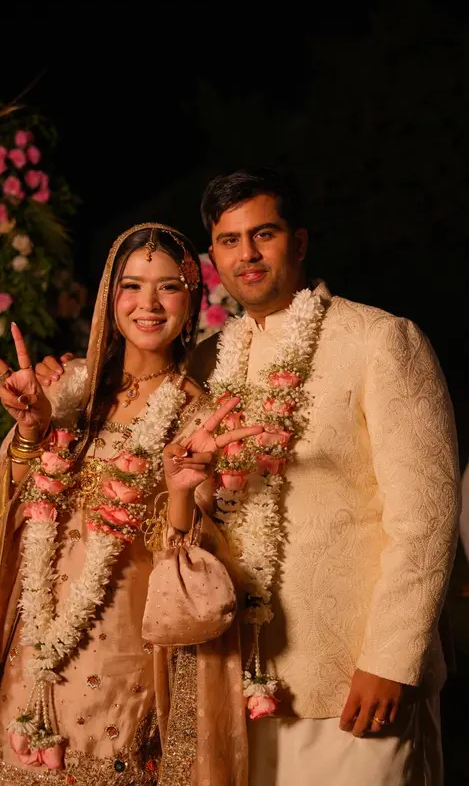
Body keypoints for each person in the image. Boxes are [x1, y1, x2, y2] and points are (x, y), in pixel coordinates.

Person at [39, 168, 460, 786]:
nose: (248, 254)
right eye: (229, 240)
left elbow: (425, 520)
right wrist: (60, 390)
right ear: (213, 258)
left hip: (352, 676)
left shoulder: (380, 340)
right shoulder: (207, 361)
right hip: (236, 676)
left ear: (300, 241)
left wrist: (391, 660)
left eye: (263, 234)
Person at [0, 223, 262, 786]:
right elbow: (3, 509)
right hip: (31, 648)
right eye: (132, 286)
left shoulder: (198, 414)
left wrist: (180, 492)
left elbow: (201, 571)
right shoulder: (67, 389)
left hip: (122, 660)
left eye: (169, 287)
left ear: (194, 297)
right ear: (111, 298)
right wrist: (32, 433)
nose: (149, 305)